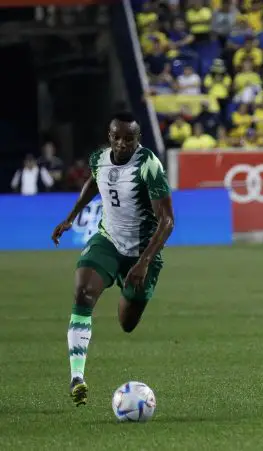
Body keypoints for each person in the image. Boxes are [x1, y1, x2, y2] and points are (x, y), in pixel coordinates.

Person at [51, 112, 175, 407]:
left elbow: (167, 220)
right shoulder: (98, 159)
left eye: (128, 139)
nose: (121, 144)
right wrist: (71, 217)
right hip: (108, 242)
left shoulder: (148, 164)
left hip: (142, 252)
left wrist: (143, 263)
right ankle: (77, 378)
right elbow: (94, 183)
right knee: (82, 293)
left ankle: (128, 287)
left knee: (127, 323)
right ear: (110, 137)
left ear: (138, 139)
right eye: (117, 137)